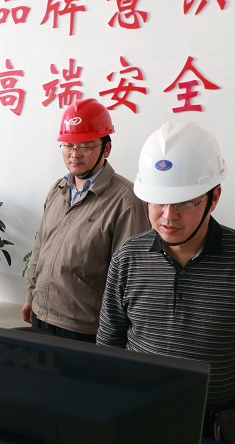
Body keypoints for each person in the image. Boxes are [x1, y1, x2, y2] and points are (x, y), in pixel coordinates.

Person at [97, 122, 235, 441]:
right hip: (138, 418)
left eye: (186, 202)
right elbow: (109, 344)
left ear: (214, 197)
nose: (168, 216)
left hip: (213, 429)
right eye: (158, 201)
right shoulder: (128, 257)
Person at [22, 98, 149, 342]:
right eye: (68, 146)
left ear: (106, 149)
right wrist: (31, 295)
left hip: (85, 327)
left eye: (86, 147)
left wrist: (115, 335)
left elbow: (129, 278)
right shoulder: (58, 189)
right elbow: (40, 247)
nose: (74, 154)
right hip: (42, 313)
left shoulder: (126, 201)